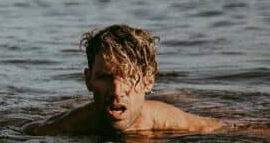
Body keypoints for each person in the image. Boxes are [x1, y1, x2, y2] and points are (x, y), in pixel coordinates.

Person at [23, 24, 225, 135]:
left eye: (129, 77)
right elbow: (32, 129)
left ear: (149, 81)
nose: (117, 90)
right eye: (104, 77)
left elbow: (229, 127)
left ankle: (178, 95)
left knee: (177, 98)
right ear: (88, 80)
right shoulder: (67, 127)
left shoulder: (179, 124)